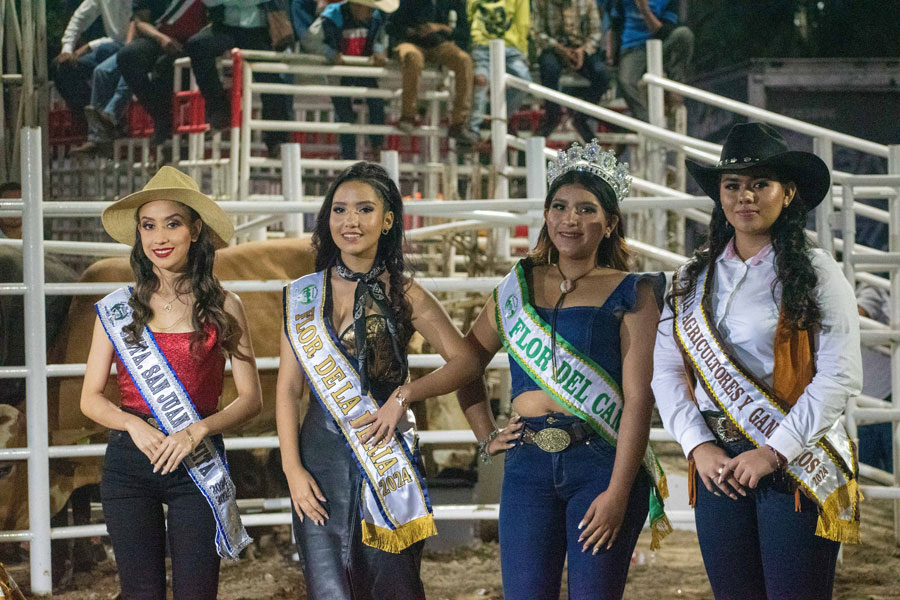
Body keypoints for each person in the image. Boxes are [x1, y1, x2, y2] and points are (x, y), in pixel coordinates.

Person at [357, 141, 671, 598]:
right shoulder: (517, 284)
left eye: (586, 209)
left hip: (601, 462)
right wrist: (485, 435)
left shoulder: (635, 291)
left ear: (610, 223)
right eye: (559, 207)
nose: (570, 219)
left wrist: (619, 492)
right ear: (545, 215)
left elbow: (639, 399)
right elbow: (467, 363)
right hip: (528, 466)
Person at [652, 122, 862, 600]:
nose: (744, 196)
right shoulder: (689, 279)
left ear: (788, 194)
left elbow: (840, 375)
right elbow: (666, 370)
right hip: (717, 466)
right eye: (732, 185)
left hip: (795, 462)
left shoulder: (818, 272)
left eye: (760, 184)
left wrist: (772, 452)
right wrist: (697, 445)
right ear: (720, 197)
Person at [276, 162, 478, 598]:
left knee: (393, 584)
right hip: (319, 462)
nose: (350, 221)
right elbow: (289, 390)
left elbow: (465, 362)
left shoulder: (405, 291)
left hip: (387, 455)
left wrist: (405, 395)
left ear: (387, 221)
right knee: (328, 586)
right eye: (340, 209)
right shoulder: (303, 294)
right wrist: (292, 469)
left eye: (364, 209)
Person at [80, 166, 262, 598]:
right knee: (140, 592)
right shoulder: (117, 308)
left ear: (195, 231)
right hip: (130, 463)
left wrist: (197, 430)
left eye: (172, 224)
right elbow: (90, 398)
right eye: (148, 226)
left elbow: (251, 398)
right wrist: (133, 424)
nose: (159, 237)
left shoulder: (225, 305)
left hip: (197, 461)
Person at [185, 0, 292, 158]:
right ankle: (219, 108)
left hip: (262, 31)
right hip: (225, 27)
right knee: (197, 45)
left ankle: (276, 140)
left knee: (271, 80)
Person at [303, 0, 396, 160]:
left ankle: (377, 145)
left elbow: (380, 38)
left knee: (377, 104)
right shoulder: (332, 16)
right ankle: (349, 159)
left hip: (364, 72)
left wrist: (378, 50)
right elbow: (309, 39)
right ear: (356, 5)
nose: (370, 12)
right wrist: (329, 53)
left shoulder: (375, 16)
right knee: (346, 117)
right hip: (340, 75)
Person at [386, 0, 480, 149]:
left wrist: (439, 28)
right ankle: (408, 115)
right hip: (410, 43)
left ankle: (459, 122)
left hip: (438, 44)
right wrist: (412, 31)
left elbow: (464, 33)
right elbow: (391, 26)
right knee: (413, 58)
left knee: (464, 60)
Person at [117, 0, 207, 146]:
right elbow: (140, 21)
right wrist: (161, 38)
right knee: (127, 56)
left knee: (163, 67)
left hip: (196, 39)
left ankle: (175, 128)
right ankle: (160, 116)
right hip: (161, 36)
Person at [54, 0, 132, 149]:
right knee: (62, 68)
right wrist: (67, 49)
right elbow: (80, 17)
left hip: (132, 44)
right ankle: (94, 121)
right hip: (113, 44)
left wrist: (91, 45)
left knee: (104, 63)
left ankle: (105, 125)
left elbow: (135, 28)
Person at [532, 0, 609, 142]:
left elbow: (595, 33)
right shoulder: (541, 2)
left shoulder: (587, 2)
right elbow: (537, 32)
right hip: (553, 49)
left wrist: (583, 51)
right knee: (549, 69)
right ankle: (552, 115)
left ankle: (581, 115)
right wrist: (560, 49)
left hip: (581, 48)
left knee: (602, 75)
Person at [606, 0, 693, 122]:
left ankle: (676, 91)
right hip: (632, 47)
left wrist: (644, 10)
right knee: (626, 82)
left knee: (684, 34)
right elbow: (615, 24)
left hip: (661, 45)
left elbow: (664, 32)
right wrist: (611, 56)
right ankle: (647, 123)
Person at [467, 0, 532, 132]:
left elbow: (523, 23)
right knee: (481, 81)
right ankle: (474, 129)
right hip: (481, 47)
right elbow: (469, 16)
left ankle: (499, 118)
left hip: (511, 49)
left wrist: (522, 52)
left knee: (523, 80)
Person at [856, 284, 894, 473]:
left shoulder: (874, 289)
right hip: (863, 402)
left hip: (886, 398)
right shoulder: (871, 288)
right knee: (867, 475)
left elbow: (855, 315)